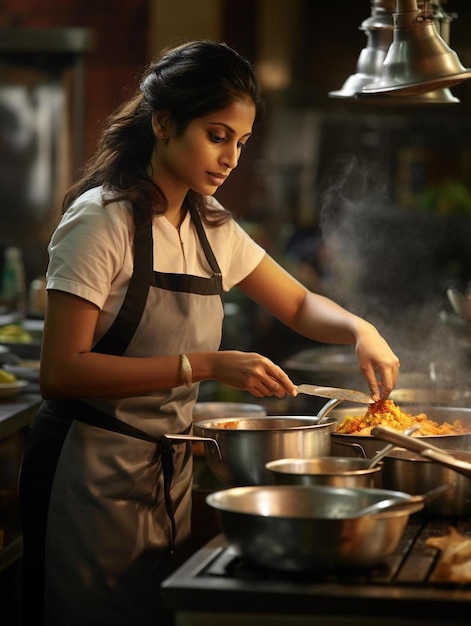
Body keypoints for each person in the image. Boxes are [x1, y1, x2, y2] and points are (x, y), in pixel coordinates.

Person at [18, 39, 400, 626]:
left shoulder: (210, 222)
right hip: (86, 470)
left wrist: (359, 327)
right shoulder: (102, 220)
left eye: (241, 143)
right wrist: (207, 364)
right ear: (164, 123)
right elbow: (60, 372)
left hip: (161, 470)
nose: (230, 158)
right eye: (218, 136)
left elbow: (297, 302)